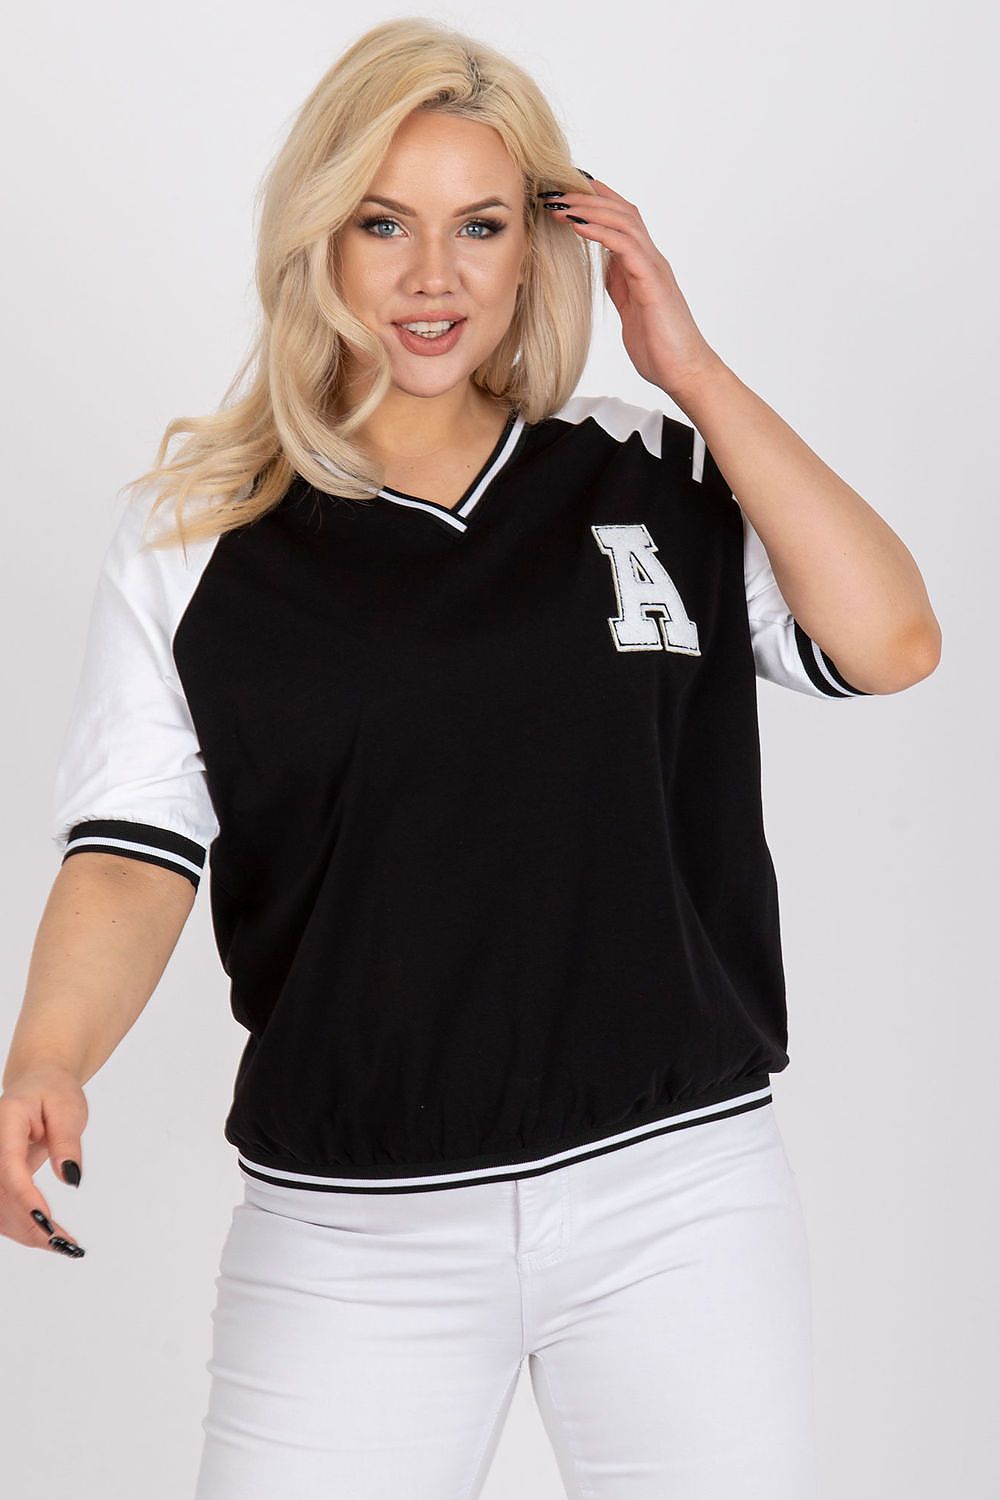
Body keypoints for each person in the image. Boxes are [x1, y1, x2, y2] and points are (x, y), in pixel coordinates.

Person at [1, 17, 941, 1500]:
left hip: (676, 1196)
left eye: (480, 226)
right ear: (319, 236)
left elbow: (892, 641)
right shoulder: (195, 538)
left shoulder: (655, 469)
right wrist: (48, 1053)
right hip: (350, 1227)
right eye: (385, 223)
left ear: (538, 246)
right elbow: (131, 849)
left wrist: (690, 365)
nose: (433, 276)